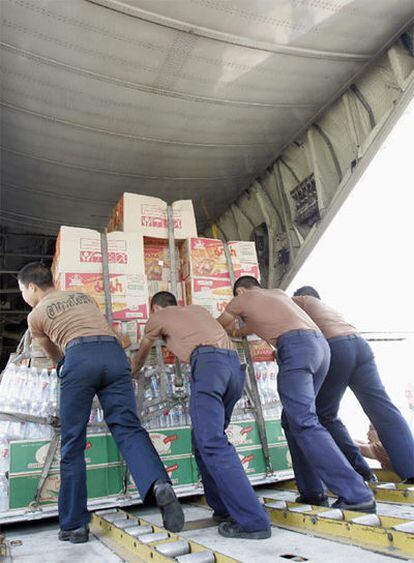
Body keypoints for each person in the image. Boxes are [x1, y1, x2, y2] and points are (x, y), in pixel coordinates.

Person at [17, 263, 184, 543]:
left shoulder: (36, 315)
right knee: (129, 428)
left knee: (73, 442)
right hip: (114, 355)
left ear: (32, 287)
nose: (24, 296)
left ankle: (74, 525)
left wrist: (66, 369)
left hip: (79, 357)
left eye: (22, 291)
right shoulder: (83, 298)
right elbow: (115, 335)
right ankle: (160, 485)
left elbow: (54, 356)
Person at [218, 276, 375, 513]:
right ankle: (313, 491)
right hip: (321, 348)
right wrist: (241, 330)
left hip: (296, 348)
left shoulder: (243, 299)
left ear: (240, 291)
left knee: (303, 421)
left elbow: (220, 327)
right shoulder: (279, 295)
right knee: (292, 421)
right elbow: (246, 329)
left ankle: (356, 494)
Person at [132, 291, 271, 540]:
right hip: (234, 370)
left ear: (154, 307)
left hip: (209, 366)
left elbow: (142, 352)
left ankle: (253, 521)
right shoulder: (198, 310)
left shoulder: (159, 317)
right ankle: (223, 508)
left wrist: (131, 372)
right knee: (204, 441)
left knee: (212, 443)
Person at [293, 286, 414, 485]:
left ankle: (360, 473)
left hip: (336, 347)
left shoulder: (300, 302)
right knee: (384, 409)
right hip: (360, 346)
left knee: (324, 415)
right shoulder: (329, 310)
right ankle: (411, 470)